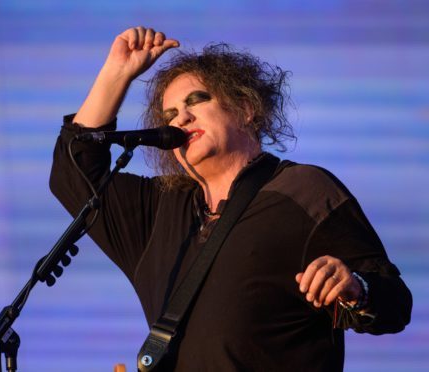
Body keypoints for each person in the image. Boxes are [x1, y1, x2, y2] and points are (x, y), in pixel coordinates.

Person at [49, 27, 412, 371]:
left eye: (197, 100)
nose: (182, 118)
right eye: (170, 114)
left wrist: (356, 288)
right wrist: (117, 73)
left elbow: (394, 304)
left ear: (244, 108)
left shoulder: (305, 190)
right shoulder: (158, 209)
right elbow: (74, 177)